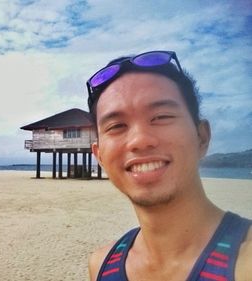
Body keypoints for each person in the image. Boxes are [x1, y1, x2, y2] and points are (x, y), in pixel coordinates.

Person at [86, 50, 251, 280]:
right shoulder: (102, 266)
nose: (139, 140)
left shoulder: (245, 261)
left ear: (201, 137)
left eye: (161, 116)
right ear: (100, 156)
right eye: (116, 126)